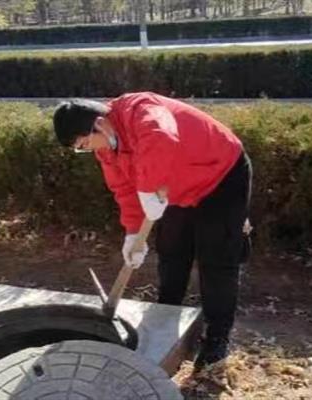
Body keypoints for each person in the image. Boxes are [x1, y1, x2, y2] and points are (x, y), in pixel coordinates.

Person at [53, 92, 252, 367]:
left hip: (220, 176)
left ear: (99, 124)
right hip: (173, 189)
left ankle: (217, 337)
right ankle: (166, 313)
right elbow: (124, 190)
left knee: (216, 258)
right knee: (171, 251)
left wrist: (148, 188)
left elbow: (161, 136)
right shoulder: (106, 149)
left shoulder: (140, 110)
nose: (89, 150)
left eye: (84, 144)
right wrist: (133, 233)